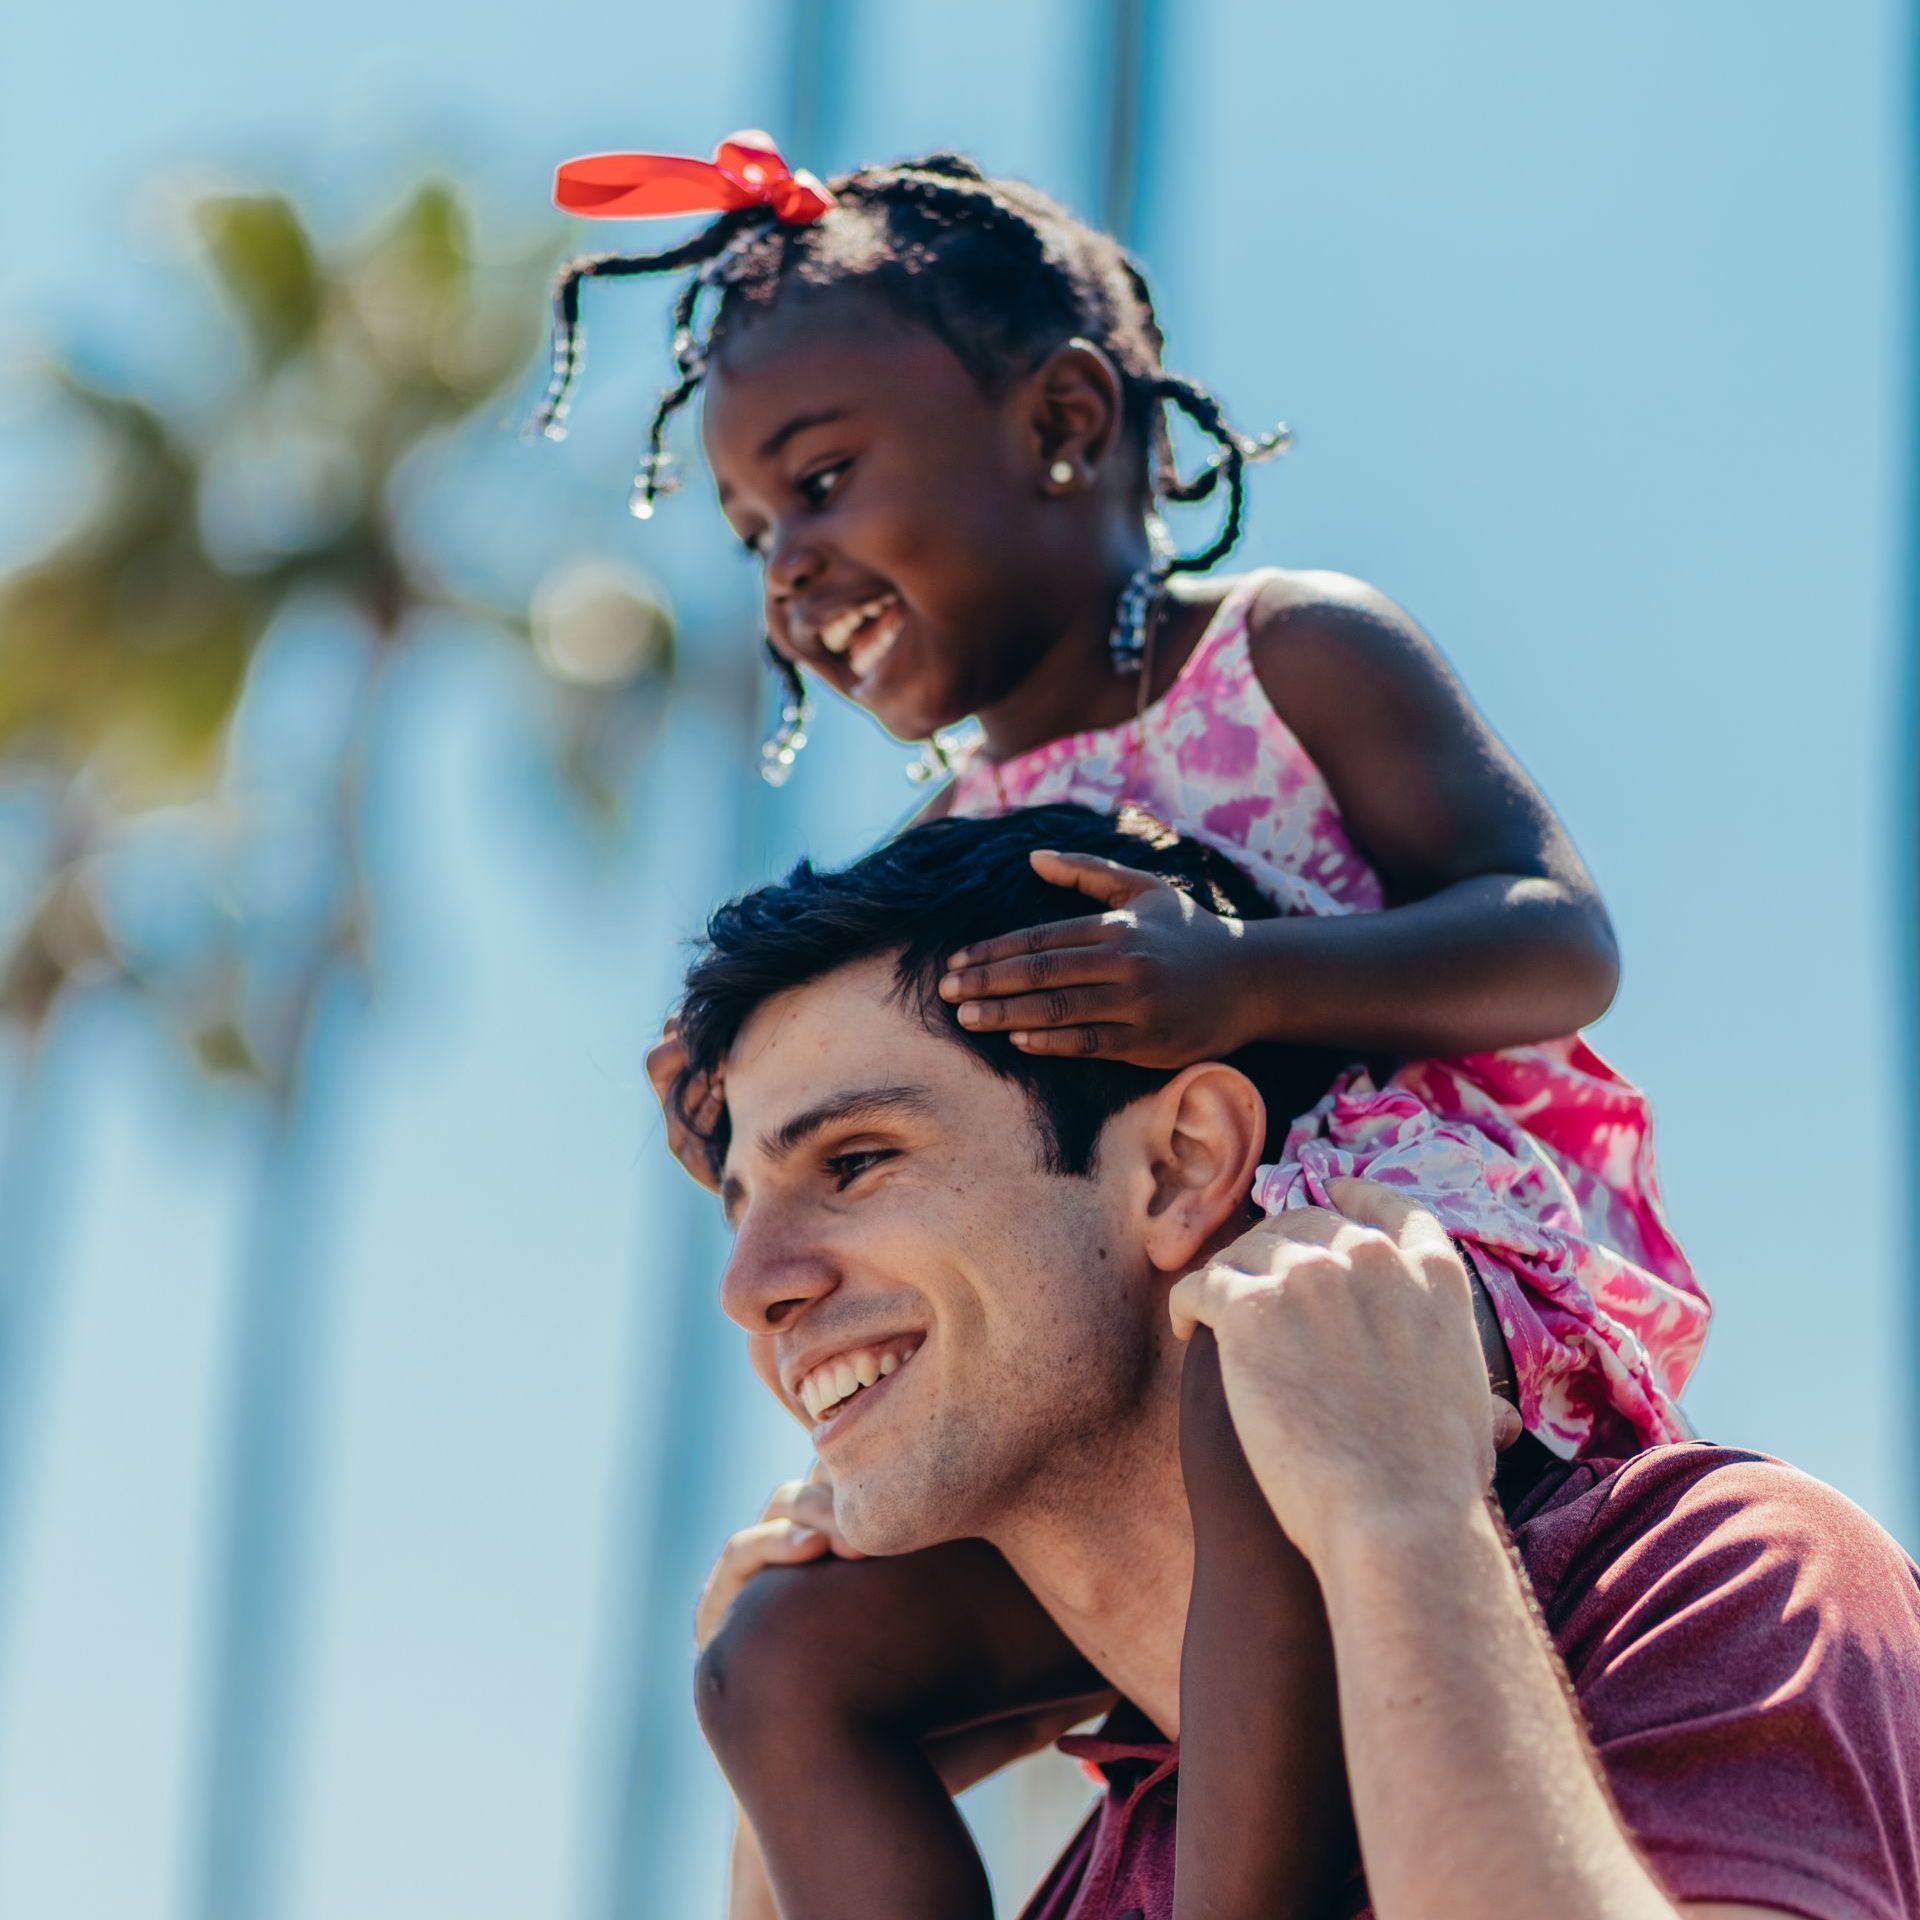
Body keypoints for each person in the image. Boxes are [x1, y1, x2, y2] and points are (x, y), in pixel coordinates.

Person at [543, 130, 1705, 1467]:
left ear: (1063, 424)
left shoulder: (1288, 654)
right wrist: (737, 1098)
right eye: (756, 535)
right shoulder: (948, 842)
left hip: (1428, 1259)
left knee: (1252, 1362)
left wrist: (1248, 981)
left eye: (819, 484)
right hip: (1120, 1332)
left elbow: (1561, 943)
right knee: (788, 1657)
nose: (788, 567)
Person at [679, 804, 1920, 1920]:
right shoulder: (1103, 1871)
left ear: (1179, 1166)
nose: (751, 1289)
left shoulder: (1719, 1589)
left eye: (854, 1162)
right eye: (739, 1210)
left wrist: (1405, 1520)